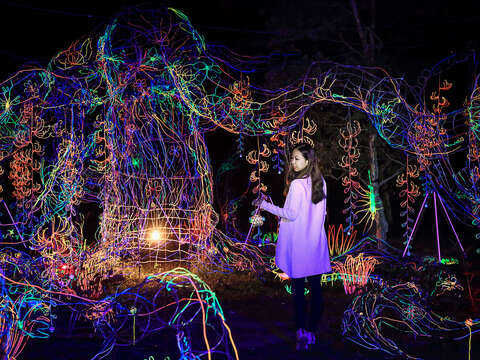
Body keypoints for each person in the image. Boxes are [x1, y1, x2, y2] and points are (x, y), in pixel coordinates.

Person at [253, 142, 331, 351]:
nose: (293, 162)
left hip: (299, 246)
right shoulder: (320, 181)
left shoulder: (298, 184)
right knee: (315, 291)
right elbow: (322, 214)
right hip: (315, 243)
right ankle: (311, 332)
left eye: (297, 158)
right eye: (292, 158)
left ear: (307, 161)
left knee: (298, 292)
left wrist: (264, 205)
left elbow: (291, 214)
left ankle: (301, 332)